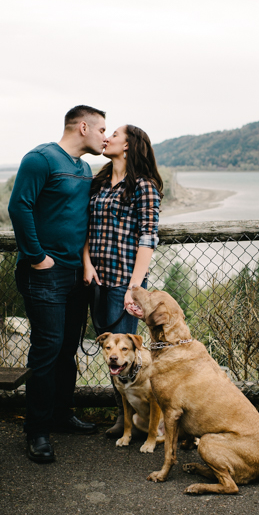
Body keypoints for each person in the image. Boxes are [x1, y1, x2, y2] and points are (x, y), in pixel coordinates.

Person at [8, 105, 107, 463]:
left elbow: (79, 220)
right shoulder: (41, 159)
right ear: (83, 127)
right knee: (47, 350)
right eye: (101, 130)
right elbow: (19, 207)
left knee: (68, 349)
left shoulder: (83, 168)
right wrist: (37, 257)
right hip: (43, 273)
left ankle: (61, 415)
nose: (105, 137)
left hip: (74, 274)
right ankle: (36, 431)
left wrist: (85, 263)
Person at [82, 124, 163, 437]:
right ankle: (126, 416)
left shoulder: (144, 186)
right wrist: (86, 263)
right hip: (95, 279)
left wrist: (134, 289)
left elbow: (148, 238)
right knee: (110, 353)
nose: (107, 138)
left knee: (127, 355)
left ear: (129, 145)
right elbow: (85, 227)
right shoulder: (99, 182)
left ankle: (132, 420)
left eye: (114, 134)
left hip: (124, 283)